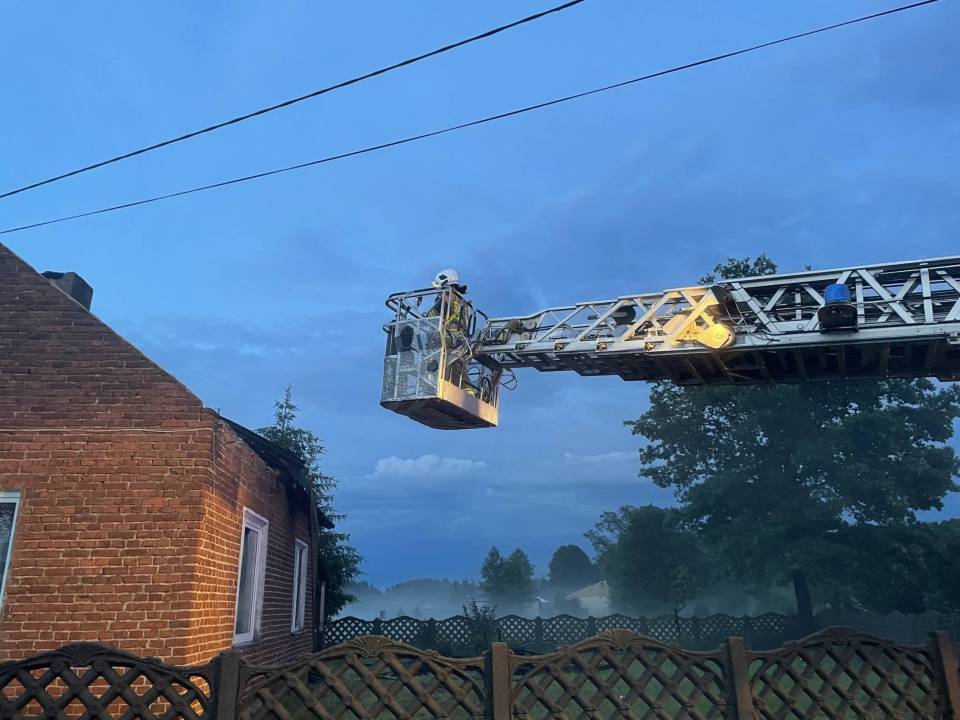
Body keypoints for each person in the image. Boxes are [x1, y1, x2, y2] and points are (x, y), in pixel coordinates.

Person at [426, 269, 475, 394]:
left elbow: (433, 317)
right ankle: (469, 395)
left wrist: (422, 318)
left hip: (447, 338)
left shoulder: (447, 295)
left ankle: (434, 387)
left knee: (436, 366)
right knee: (459, 373)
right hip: (460, 341)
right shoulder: (462, 300)